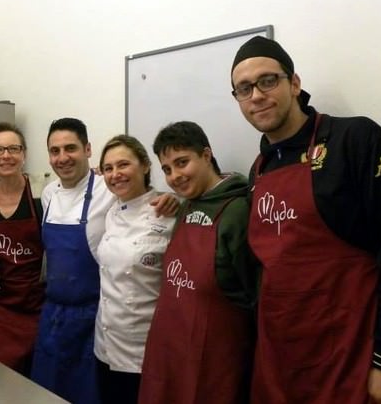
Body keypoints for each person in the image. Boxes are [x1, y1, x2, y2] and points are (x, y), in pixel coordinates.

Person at [230, 36, 381, 404]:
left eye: (268, 80)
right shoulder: (260, 170)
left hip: (354, 358)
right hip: (281, 362)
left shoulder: (356, 140)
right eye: (244, 88)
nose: (256, 95)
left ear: (294, 83)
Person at [31, 118, 178, 404]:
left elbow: (142, 200)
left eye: (70, 148)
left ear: (87, 149)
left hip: (91, 316)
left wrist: (173, 199)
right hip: (54, 316)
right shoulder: (48, 194)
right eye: (55, 151)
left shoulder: (106, 188)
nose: (62, 158)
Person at [138, 121, 257, 404]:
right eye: (167, 169)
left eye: (182, 163)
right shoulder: (187, 203)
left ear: (206, 155)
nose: (175, 176)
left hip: (217, 357)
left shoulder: (237, 211)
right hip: (171, 348)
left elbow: (253, 293)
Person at [93, 135, 175, 404]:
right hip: (106, 344)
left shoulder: (170, 212)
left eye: (123, 165)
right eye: (108, 168)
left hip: (145, 349)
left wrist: (179, 200)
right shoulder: (110, 212)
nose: (115, 174)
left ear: (145, 166)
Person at [0, 122, 46, 374]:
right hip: (2, 307)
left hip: (40, 305)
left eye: (13, 149)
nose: (6, 156)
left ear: (24, 154)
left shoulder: (44, 193)